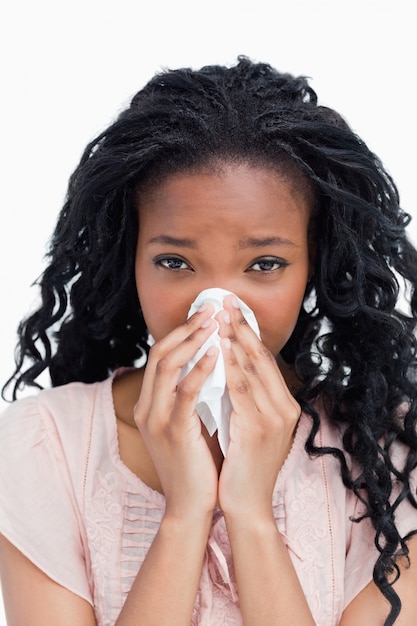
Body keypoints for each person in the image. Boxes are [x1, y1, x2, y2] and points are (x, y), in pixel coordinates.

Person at [1, 56, 417, 626]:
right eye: (175, 261)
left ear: (314, 267)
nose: (218, 307)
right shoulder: (40, 448)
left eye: (265, 264)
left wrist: (250, 515)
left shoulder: (391, 463)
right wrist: (184, 514)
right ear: (131, 259)